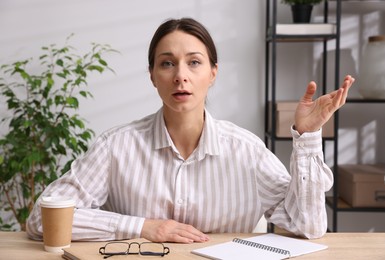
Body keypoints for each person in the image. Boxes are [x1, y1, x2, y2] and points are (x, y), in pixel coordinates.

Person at [26, 17, 355, 243]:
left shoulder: (246, 150)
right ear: (153, 75)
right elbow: (42, 220)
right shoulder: (116, 146)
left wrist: (308, 136)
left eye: (194, 62)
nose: (180, 76)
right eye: (167, 63)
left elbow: (308, 227)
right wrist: (143, 227)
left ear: (213, 73)